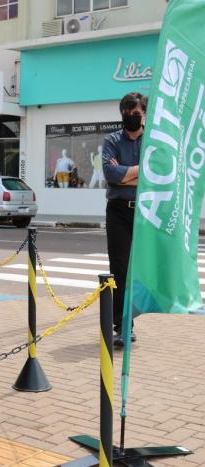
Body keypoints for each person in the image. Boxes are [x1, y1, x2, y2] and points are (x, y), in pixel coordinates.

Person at [103, 92, 146, 347]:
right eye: (126, 113)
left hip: (144, 210)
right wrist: (140, 172)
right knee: (119, 269)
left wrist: (125, 174)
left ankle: (136, 313)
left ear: (144, 115)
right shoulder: (111, 140)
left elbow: (157, 173)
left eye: (136, 113)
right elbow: (109, 173)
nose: (130, 117)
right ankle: (122, 325)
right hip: (118, 211)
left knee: (139, 269)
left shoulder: (152, 141)